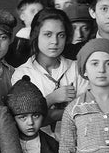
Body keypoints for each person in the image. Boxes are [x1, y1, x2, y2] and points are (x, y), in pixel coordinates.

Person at [12, 8, 86, 139]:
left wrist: (46, 114)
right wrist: (51, 99)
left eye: (61, 35)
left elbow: (86, 114)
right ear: (36, 35)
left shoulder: (76, 68)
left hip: (77, 143)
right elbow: (23, 122)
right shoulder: (21, 74)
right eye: (48, 34)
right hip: (37, 150)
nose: (55, 42)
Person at [8, 0, 45, 67]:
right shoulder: (23, 35)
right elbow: (18, 58)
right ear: (22, 16)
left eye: (40, 11)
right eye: (32, 11)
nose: (37, 14)